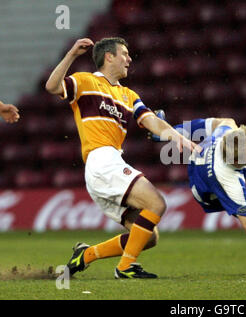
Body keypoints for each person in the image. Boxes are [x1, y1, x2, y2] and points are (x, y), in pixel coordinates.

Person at [45, 37, 199, 279]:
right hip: (101, 160)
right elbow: (52, 87)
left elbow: (151, 121)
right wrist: (72, 55)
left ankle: (85, 255)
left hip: (109, 166)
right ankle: (125, 268)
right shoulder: (85, 81)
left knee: (148, 237)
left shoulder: (128, 95)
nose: (129, 59)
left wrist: (175, 136)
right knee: (157, 203)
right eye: (124, 54)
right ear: (109, 57)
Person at [150, 113, 246, 278]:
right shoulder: (230, 183)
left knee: (228, 120)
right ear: (237, 163)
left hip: (204, 156)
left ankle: (163, 132)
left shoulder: (231, 134)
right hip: (205, 189)